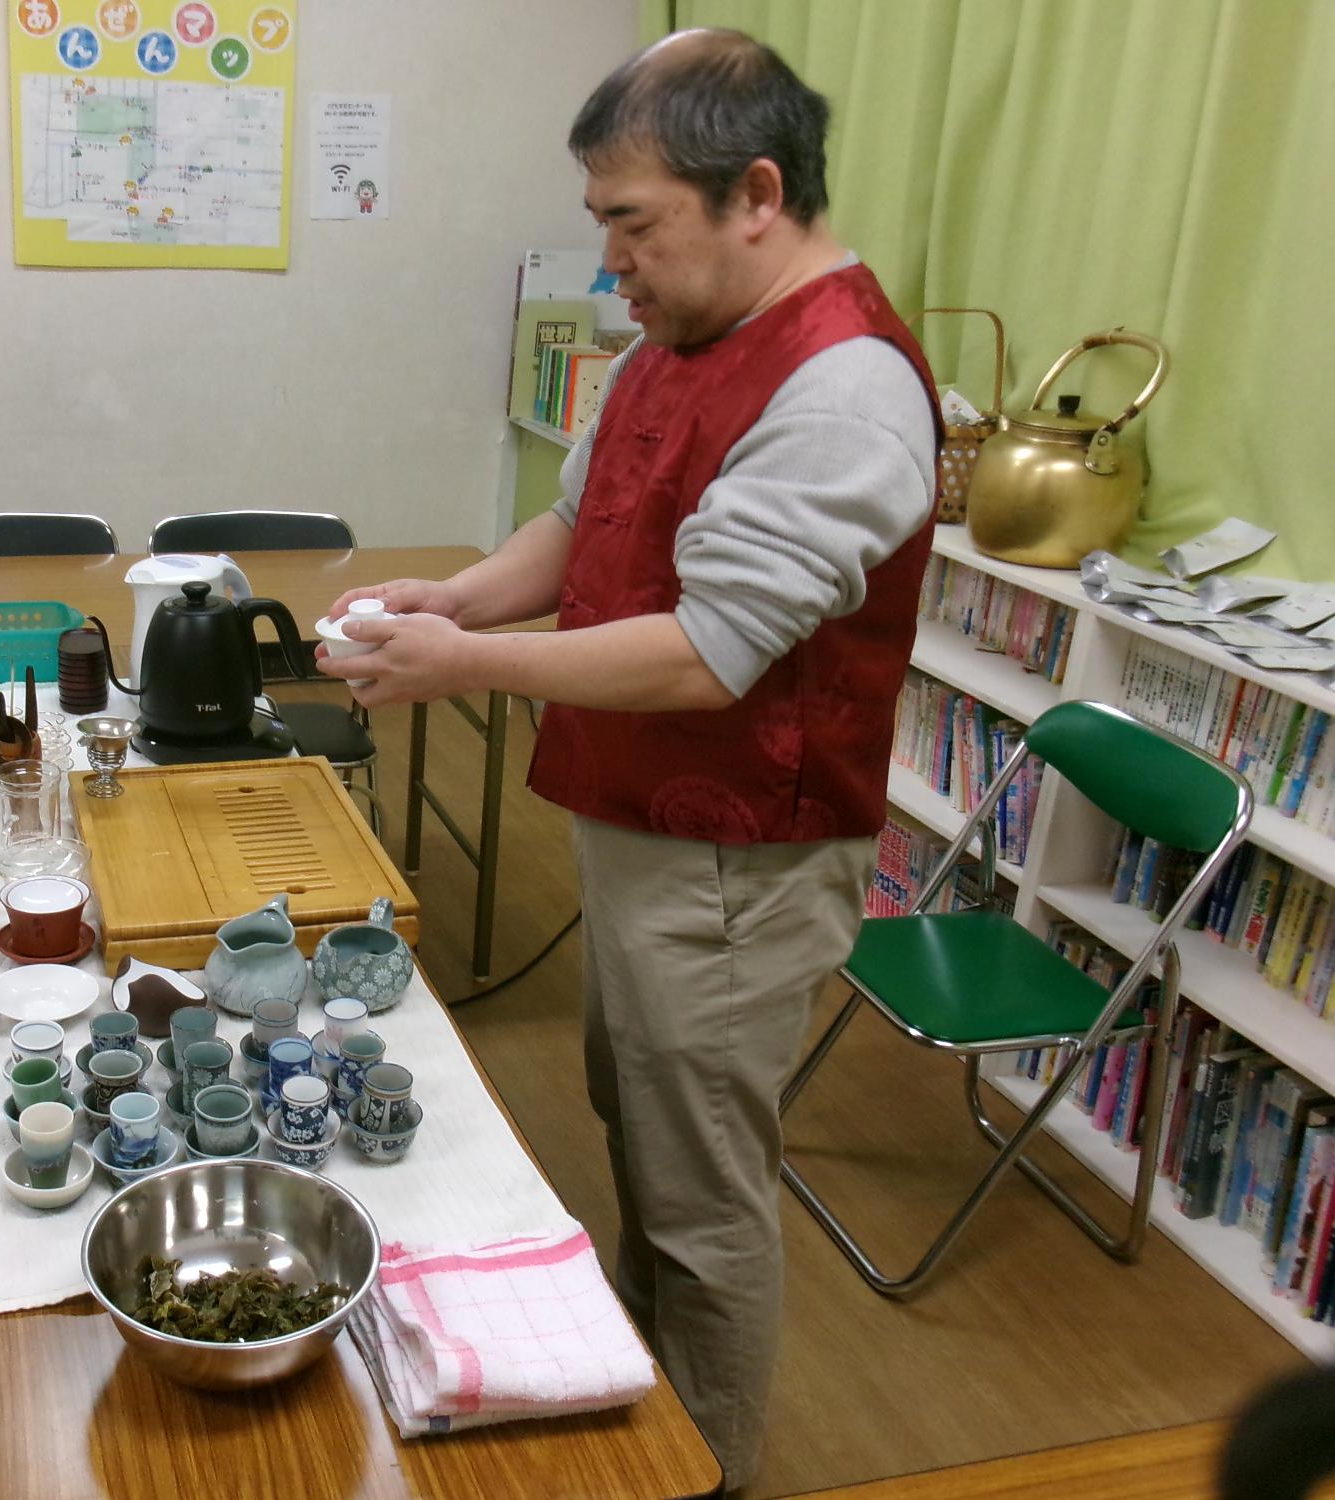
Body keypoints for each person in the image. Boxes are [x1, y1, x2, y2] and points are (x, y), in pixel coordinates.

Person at [319, 31, 941, 1490]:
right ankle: (645, 1397)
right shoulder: (681, 335)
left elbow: (707, 651)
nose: (611, 266)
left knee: (701, 1198)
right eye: (602, 224)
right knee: (642, 1129)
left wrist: (464, 665)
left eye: (632, 224)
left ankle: (705, 1470)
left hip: (737, 860)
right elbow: (584, 522)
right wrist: (459, 600)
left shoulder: (843, 387)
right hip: (645, 828)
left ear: (756, 196)